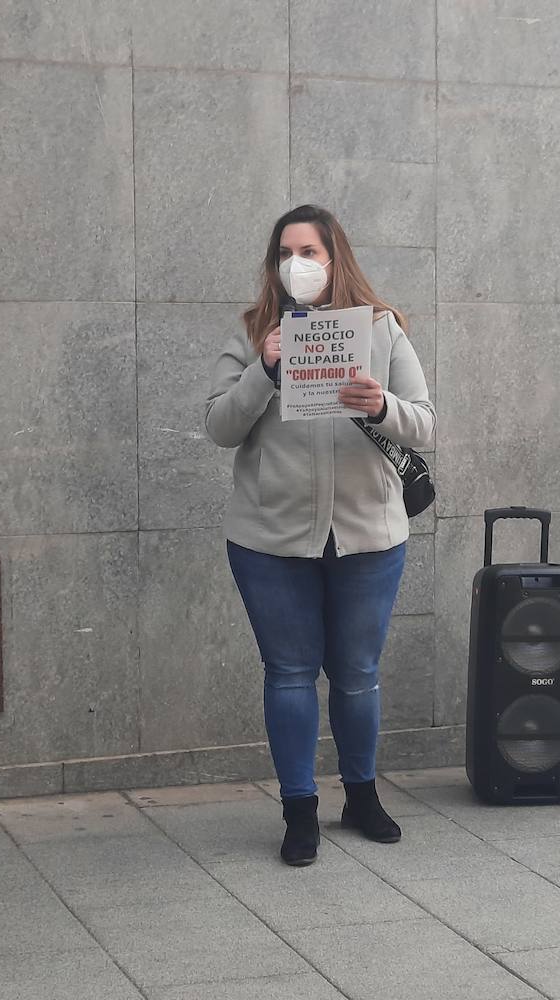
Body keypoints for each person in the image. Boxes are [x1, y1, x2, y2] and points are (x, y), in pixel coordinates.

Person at [204, 204, 434, 866]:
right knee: (290, 672)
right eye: (285, 251)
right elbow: (219, 425)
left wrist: (381, 405)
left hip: (368, 537)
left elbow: (426, 423)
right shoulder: (253, 331)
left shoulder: (383, 330)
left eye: (310, 250)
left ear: (336, 259)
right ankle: (298, 808)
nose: (295, 263)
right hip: (270, 541)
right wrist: (264, 370)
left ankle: (361, 794)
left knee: (358, 674)